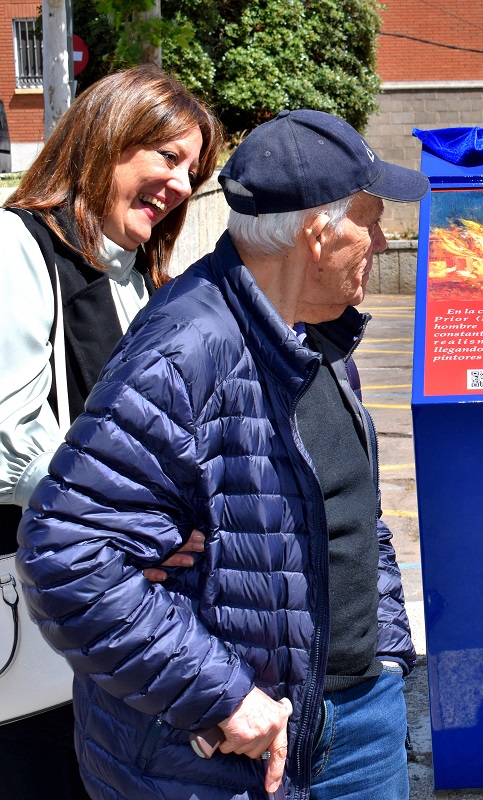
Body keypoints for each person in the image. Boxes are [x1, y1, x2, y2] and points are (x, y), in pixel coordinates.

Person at [16, 108, 428, 800]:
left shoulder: (320, 336)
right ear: (317, 234)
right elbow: (64, 558)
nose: (383, 242)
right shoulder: (184, 348)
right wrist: (223, 698)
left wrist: (385, 655)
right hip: (222, 755)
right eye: (372, 219)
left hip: (360, 721)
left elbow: (354, 515)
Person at [0, 65, 221, 799]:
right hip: (38, 612)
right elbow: (7, 439)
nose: (182, 186)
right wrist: (131, 518)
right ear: (106, 139)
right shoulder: (17, 247)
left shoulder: (139, 275)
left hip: (113, 617)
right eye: (167, 156)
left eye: (193, 170)